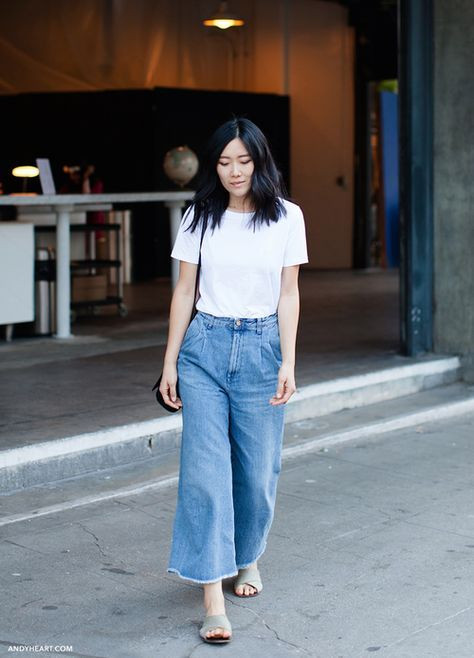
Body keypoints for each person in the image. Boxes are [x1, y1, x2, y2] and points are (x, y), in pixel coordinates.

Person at [160, 117, 309, 644]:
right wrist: (170, 362)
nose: (233, 171)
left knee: (257, 470)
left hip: (263, 348)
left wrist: (288, 361)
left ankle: (247, 557)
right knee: (204, 472)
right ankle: (211, 597)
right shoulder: (199, 215)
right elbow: (183, 292)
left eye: (243, 161)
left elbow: (288, 293)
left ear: (260, 161)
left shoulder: (287, 217)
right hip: (204, 348)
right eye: (224, 162)